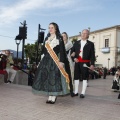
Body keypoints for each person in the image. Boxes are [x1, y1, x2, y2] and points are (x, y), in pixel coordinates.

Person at [32, 22, 70, 104]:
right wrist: (40, 61)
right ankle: (50, 96)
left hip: (55, 60)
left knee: (54, 78)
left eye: (52, 27)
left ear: (55, 28)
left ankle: (54, 96)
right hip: (46, 60)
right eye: (49, 28)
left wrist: (61, 62)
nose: (50, 29)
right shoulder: (47, 38)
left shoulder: (59, 38)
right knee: (47, 78)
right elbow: (44, 51)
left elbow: (62, 50)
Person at [71, 29, 95, 98]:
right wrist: (74, 58)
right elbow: (72, 53)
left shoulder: (91, 44)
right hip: (77, 62)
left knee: (85, 77)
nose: (83, 34)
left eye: (85, 33)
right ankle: (76, 92)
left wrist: (92, 64)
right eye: (82, 33)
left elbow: (92, 55)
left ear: (88, 35)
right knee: (76, 77)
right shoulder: (76, 43)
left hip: (85, 63)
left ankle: (83, 92)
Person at [62, 32, 74, 96]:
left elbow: (73, 52)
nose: (63, 37)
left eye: (64, 36)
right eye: (62, 36)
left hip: (68, 62)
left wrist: (74, 54)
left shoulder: (70, 44)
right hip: (62, 63)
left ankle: (71, 91)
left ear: (67, 36)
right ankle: (64, 90)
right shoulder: (60, 45)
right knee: (63, 77)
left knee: (69, 76)